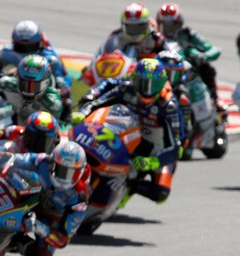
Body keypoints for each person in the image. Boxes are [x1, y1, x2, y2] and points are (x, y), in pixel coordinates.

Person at [73, 58, 183, 204]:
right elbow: (98, 102)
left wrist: (153, 161)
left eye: (152, 85)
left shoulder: (169, 106)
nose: (146, 90)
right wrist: (83, 112)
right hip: (125, 133)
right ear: (134, 79)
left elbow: (176, 148)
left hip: (153, 147)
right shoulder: (127, 87)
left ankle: (130, 187)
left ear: (162, 84)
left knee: (160, 192)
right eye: (141, 83)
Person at [16, 141, 89, 256]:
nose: (66, 178)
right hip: (23, 200)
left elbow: (63, 240)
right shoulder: (41, 161)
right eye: (62, 170)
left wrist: (41, 229)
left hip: (48, 219)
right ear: (53, 163)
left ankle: (19, 242)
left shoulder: (79, 199)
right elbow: (12, 160)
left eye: (72, 173)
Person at [156, 4, 224, 111]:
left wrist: (202, 56)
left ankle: (215, 100)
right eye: (165, 27)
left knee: (206, 68)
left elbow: (215, 50)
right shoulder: (156, 38)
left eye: (172, 26)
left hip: (186, 71)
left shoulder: (188, 35)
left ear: (179, 24)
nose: (169, 31)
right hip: (164, 70)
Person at [2, 20, 74, 120]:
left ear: (39, 43)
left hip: (42, 91)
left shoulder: (50, 58)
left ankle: (63, 123)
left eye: (29, 47)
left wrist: (59, 93)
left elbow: (63, 85)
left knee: (65, 102)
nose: (24, 50)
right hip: (22, 88)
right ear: (14, 42)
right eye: (20, 46)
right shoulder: (7, 52)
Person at [96, 3, 174, 60]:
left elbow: (171, 57)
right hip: (121, 77)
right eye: (131, 27)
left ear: (146, 25)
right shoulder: (115, 37)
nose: (135, 31)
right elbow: (100, 56)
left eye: (139, 27)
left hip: (146, 78)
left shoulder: (156, 39)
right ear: (124, 26)